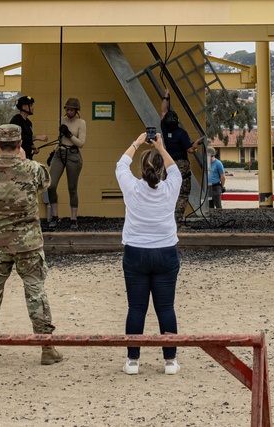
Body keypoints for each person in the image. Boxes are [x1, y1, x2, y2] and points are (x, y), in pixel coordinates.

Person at [0, 123, 60, 366]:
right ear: (20, 144)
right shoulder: (34, 169)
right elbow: (44, 185)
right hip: (28, 245)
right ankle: (46, 347)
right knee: (36, 293)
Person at [115, 129, 183, 375]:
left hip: (136, 252)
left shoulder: (131, 187)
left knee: (136, 308)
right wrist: (161, 147)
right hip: (165, 252)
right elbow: (174, 168)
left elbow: (121, 164)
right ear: (161, 169)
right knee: (166, 308)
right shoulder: (171, 187)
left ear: (142, 170)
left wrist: (137, 141)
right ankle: (170, 360)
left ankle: (133, 360)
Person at [46, 97, 86, 231]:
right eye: (67, 109)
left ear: (76, 111)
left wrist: (68, 134)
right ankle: (55, 216)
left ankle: (73, 218)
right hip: (60, 153)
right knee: (51, 185)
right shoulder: (61, 120)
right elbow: (60, 139)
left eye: (72, 110)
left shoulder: (81, 123)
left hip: (73, 155)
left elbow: (81, 143)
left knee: (72, 188)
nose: (69, 112)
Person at [160, 93, 200, 220]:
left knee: (168, 192)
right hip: (181, 165)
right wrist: (195, 145)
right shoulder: (182, 133)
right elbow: (189, 150)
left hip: (168, 164)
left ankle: (166, 219)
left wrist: (166, 96)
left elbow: (163, 111)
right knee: (182, 193)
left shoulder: (165, 130)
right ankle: (178, 222)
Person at [12, 95, 36, 161]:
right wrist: (36, 137)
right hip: (18, 158)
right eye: (31, 105)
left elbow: (27, 139)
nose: (33, 108)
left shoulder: (28, 122)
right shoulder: (16, 120)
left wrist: (32, 146)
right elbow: (17, 137)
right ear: (24, 107)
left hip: (27, 156)